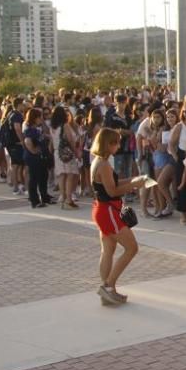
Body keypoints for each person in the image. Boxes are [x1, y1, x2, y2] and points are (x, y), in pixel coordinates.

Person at [89, 128, 145, 305]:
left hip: (103, 209)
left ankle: (108, 291)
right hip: (108, 211)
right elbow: (112, 190)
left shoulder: (99, 161)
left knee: (108, 251)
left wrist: (131, 180)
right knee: (131, 248)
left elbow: (111, 184)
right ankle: (108, 286)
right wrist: (133, 185)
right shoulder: (104, 164)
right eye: (116, 143)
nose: (119, 146)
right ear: (108, 144)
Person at [50, 105, 81, 210]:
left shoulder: (53, 127)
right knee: (70, 175)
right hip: (66, 153)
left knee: (61, 176)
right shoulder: (65, 126)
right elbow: (71, 140)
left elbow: (52, 141)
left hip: (56, 152)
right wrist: (76, 152)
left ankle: (63, 197)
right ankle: (69, 199)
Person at [22, 107, 53, 208]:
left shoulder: (37, 129)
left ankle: (45, 197)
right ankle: (34, 200)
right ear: (34, 118)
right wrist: (34, 151)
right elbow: (27, 141)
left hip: (41, 158)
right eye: (39, 117)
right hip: (33, 158)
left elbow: (45, 135)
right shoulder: (29, 130)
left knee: (43, 177)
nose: (41, 119)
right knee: (34, 179)